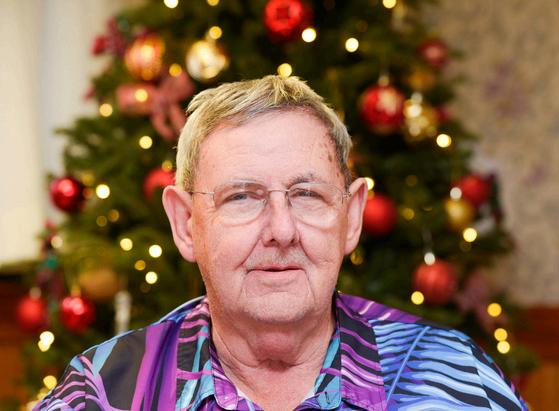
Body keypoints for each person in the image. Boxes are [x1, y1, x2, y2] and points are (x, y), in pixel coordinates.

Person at [36, 76, 527, 411]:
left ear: (352, 217)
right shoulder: (105, 391)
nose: (282, 230)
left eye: (307, 194)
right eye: (241, 197)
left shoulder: (453, 379)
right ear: (186, 224)